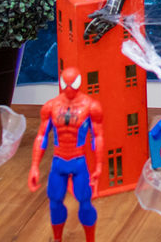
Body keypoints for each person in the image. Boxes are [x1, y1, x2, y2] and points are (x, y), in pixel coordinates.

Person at [29, 67, 104, 242]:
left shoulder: (91, 106)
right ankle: (57, 239)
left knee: (85, 203)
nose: (69, 87)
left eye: (73, 83)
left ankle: (90, 239)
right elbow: (41, 136)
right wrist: (34, 166)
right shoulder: (51, 106)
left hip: (79, 161)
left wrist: (99, 166)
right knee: (54, 203)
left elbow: (98, 137)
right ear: (61, 83)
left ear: (79, 83)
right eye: (66, 83)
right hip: (59, 161)